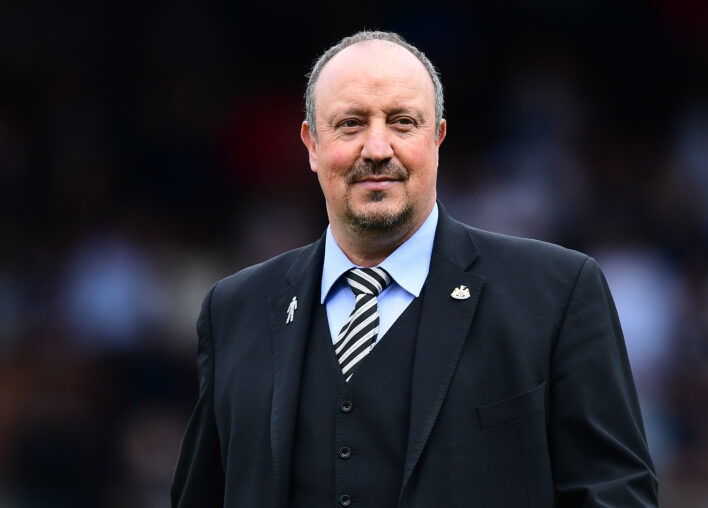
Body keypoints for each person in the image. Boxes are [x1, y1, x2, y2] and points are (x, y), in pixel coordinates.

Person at [171, 31, 658, 507]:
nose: (377, 149)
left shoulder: (556, 294)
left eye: (402, 122)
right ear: (312, 144)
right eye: (350, 124)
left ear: (438, 138)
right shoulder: (233, 311)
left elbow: (615, 495)